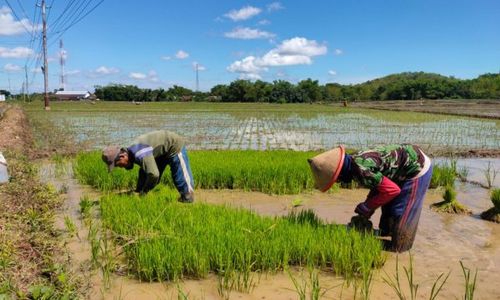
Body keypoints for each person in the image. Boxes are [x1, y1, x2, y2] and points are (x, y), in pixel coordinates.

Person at [308, 144, 432, 252]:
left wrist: (368, 206)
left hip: (417, 169)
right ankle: (387, 233)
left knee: (400, 242)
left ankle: (400, 245)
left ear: (339, 172)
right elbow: (377, 184)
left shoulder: (360, 169)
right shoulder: (353, 161)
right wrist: (368, 205)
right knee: (387, 225)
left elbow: (392, 190)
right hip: (399, 170)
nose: (339, 182)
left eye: (337, 179)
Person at [102, 130, 195, 203]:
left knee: (179, 177)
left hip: (173, 145)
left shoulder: (139, 152)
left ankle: (188, 196)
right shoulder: (133, 153)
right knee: (144, 171)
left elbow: (154, 174)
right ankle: (139, 191)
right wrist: (139, 190)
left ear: (122, 156)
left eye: (118, 165)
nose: (120, 167)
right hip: (160, 152)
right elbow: (145, 170)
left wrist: (145, 191)